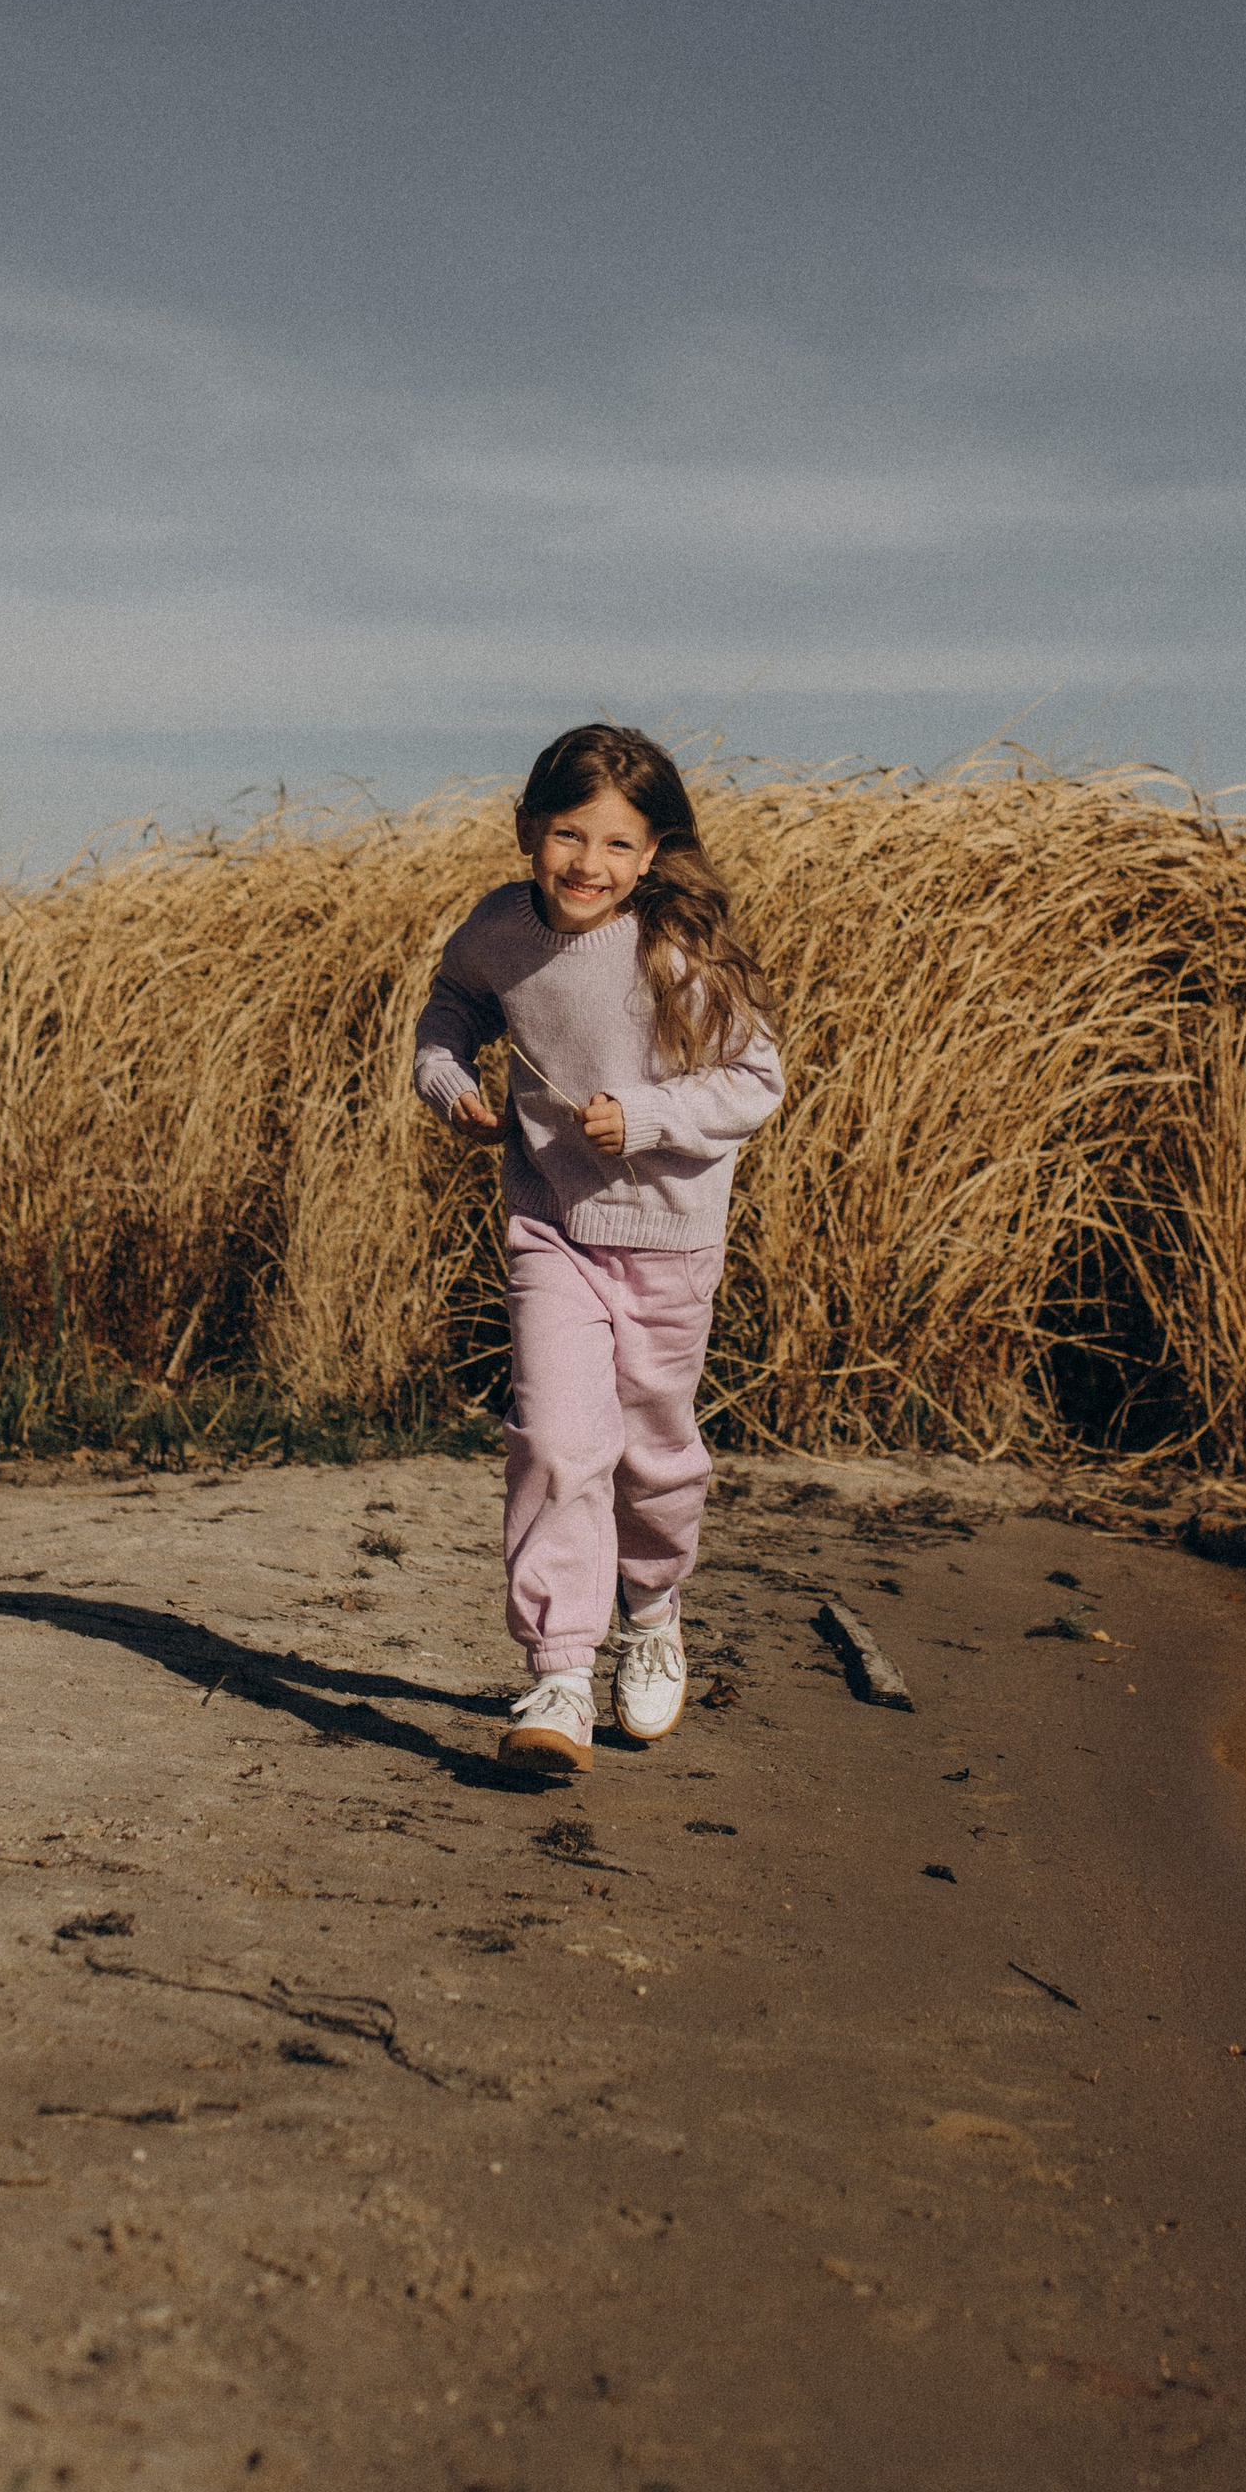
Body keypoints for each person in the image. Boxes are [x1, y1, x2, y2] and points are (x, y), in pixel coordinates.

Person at [412, 725, 784, 1777]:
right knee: (559, 1440)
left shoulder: (677, 950)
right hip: (549, 1222)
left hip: (668, 1239)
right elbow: (450, 1008)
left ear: (654, 852)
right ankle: (561, 1670)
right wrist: (449, 1083)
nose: (588, 864)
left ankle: (654, 1607)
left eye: (618, 844)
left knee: (655, 1455)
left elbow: (757, 1081)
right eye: (567, 834)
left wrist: (653, 1112)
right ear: (527, 828)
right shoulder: (497, 928)